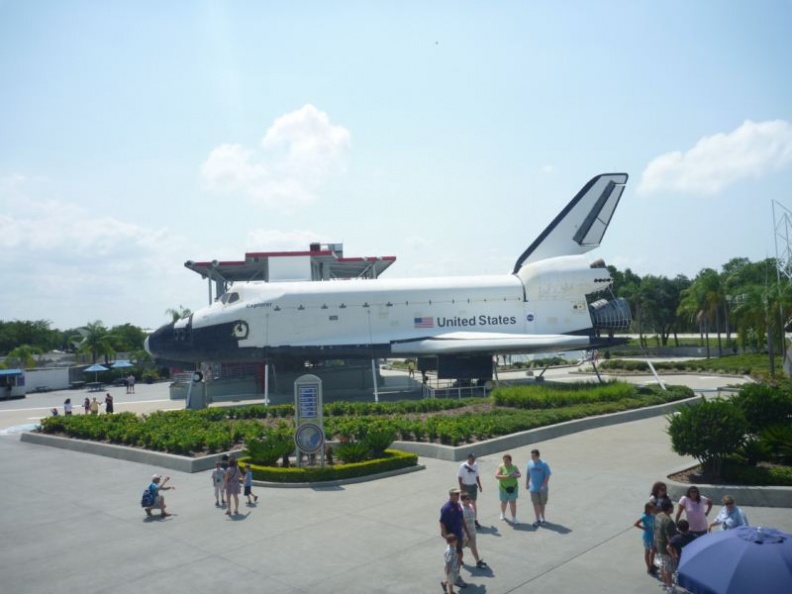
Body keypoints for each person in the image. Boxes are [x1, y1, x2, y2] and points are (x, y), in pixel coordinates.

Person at [439, 487, 470, 588]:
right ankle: (455, 578)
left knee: (458, 557)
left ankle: (448, 580)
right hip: (452, 538)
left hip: (459, 535)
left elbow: (462, 519)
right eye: (456, 494)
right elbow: (442, 523)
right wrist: (446, 537)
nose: (458, 496)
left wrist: (467, 532)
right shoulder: (446, 508)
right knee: (456, 557)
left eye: (458, 494)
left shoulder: (458, 506)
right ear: (451, 495)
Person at [653, 499, 677, 591]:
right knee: (668, 568)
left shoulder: (658, 516)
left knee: (662, 565)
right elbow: (670, 539)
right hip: (666, 548)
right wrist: (673, 552)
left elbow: (655, 530)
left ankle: (664, 582)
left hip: (659, 545)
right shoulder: (668, 521)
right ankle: (670, 586)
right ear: (669, 508)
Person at [460, 492, 487, 569]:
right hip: (463, 532)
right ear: (463, 500)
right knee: (460, 547)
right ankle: (459, 559)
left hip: (472, 531)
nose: (469, 500)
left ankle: (478, 561)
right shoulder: (461, 509)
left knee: (473, 546)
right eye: (467, 499)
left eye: (469, 498)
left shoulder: (471, 506)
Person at [526, 448, 551, 527]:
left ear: (538, 456)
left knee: (542, 504)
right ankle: (537, 519)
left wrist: (544, 485)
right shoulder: (529, 463)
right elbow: (528, 474)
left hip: (542, 489)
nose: (532, 457)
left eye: (533, 456)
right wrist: (526, 483)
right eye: (531, 456)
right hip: (533, 488)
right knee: (535, 504)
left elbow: (547, 475)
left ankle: (543, 518)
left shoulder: (544, 464)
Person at [457, 453, 483, 528]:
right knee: (466, 503)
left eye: (474, 459)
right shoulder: (463, 466)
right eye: (472, 459)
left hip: (473, 486)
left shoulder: (475, 465)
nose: (474, 460)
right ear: (468, 458)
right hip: (465, 486)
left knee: (473, 503)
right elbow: (459, 477)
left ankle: (474, 520)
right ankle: (464, 520)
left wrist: (480, 485)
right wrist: (461, 487)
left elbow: (477, 476)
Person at [495, 453, 521, 525]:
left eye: (507, 460)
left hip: (513, 488)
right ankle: (503, 513)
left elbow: (519, 474)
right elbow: (496, 476)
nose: (505, 461)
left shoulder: (514, 466)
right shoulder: (501, 467)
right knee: (504, 502)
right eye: (504, 460)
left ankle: (514, 518)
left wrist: (515, 475)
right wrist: (507, 476)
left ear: (510, 460)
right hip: (503, 489)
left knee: (513, 502)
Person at [633, 502, 657, 575]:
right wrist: (644, 528)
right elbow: (636, 524)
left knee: (653, 550)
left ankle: (652, 564)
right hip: (647, 537)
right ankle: (649, 567)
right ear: (648, 509)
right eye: (652, 508)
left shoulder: (653, 515)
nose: (654, 509)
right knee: (648, 552)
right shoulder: (644, 517)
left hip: (653, 536)